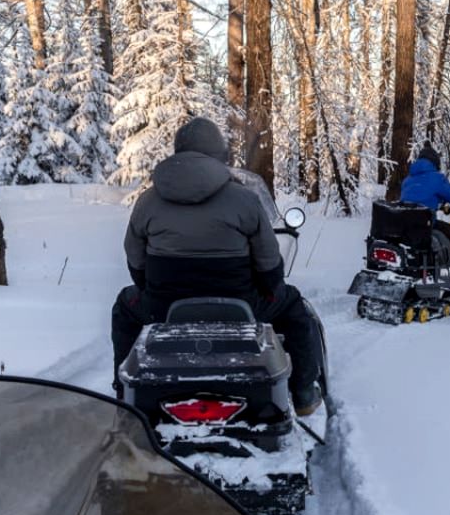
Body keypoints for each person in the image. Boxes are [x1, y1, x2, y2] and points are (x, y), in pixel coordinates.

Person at [110, 117, 323, 415]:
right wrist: (270, 288)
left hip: (163, 308)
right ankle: (303, 394)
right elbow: (269, 261)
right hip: (241, 306)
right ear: (219, 153)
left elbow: (135, 259)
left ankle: (124, 395)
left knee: (125, 306)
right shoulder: (244, 199)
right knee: (293, 306)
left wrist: (149, 288)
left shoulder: (148, 201)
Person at [398, 142, 450, 211]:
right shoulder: (437, 178)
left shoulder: (407, 180)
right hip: (425, 217)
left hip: (404, 216)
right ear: (435, 163)